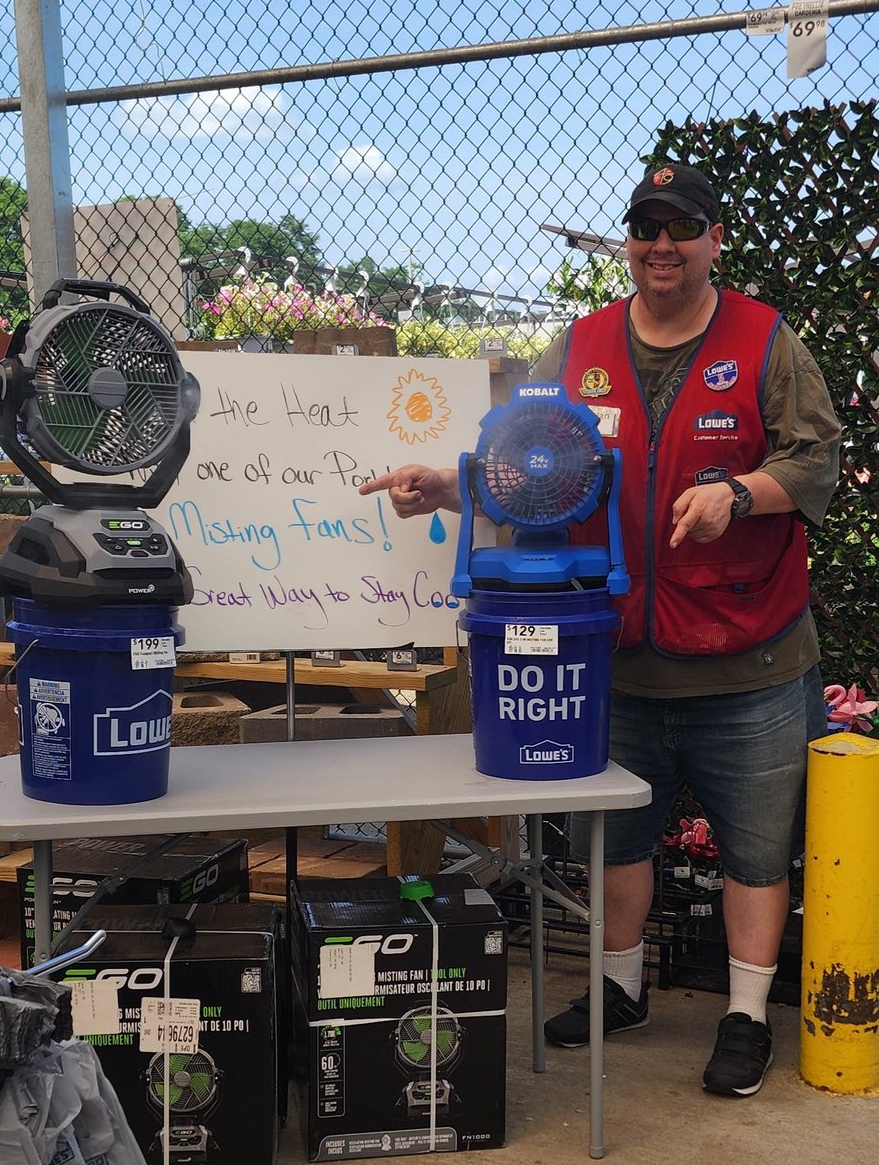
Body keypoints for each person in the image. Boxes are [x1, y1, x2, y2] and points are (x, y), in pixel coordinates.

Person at [359, 163, 841, 1098]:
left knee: (753, 848)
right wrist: (449, 486)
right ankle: (620, 991)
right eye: (645, 226)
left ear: (714, 240)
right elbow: (525, 462)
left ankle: (745, 1016)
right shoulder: (577, 348)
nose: (662, 244)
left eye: (682, 227)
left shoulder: (765, 340)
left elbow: (815, 463)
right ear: (628, 241)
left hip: (751, 659)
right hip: (613, 653)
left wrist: (737, 496)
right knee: (616, 837)